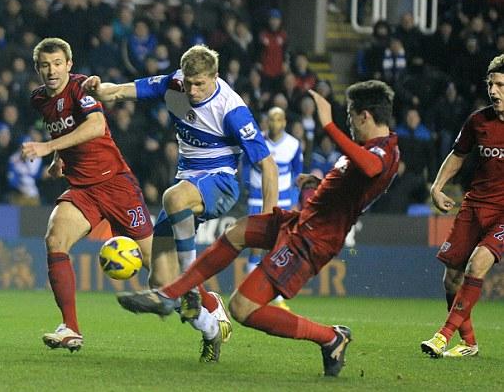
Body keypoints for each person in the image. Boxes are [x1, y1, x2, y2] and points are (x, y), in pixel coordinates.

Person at [116, 80, 400, 376]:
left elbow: (371, 168)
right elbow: (357, 179)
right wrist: (322, 184)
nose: (349, 123)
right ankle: (171, 294)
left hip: (312, 240)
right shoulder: (373, 148)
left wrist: (327, 125)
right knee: (238, 231)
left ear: (365, 115)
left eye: (351, 116)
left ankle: (330, 337)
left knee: (242, 308)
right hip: (300, 220)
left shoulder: (383, 152)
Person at [83, 44, 278, 362]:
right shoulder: (173, 83)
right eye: (189, 83)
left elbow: (267, 165)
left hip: (220, 183)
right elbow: (118, 92)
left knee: (173, 198)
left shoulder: (232, 109)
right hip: (187, 183)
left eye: (200, 83)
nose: (192, 90)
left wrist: (269, 221)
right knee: (159, 279)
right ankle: (212, 330)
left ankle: (189, 284)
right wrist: (98, 88)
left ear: (215, 77)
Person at [21, 37, 153, 352]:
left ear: (69, 65)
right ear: (37, 69)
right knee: (55, 240)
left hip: (115, 184)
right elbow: (61, 128)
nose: (51, 71)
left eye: (57, 64)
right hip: (83, 188)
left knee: (159, 268)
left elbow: (95, 126)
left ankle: (207, 304)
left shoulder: (81, 88)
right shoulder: (39, 99)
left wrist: (48, 148)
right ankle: (71, 328)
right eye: (44, 65)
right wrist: (58, 160)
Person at [420, 54, 504, 359]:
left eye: (500, 85)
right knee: (451, 279)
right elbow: (458, 154)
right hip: (474, 206)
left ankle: (442, 336)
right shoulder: (478, 121)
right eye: (491, 84)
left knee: (477, 264)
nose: (494, 91)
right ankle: (469, 342)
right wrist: (437, 186)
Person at [244, 106, 303, 311]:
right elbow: (245, 166)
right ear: (266, 121)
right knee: (256, 244)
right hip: (257, 199)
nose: (275, 123)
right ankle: (250, 294)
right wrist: (246, 187)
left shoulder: (294, 145)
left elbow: (298, 174)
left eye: (278, 119)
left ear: (285, 122)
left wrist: (296, 199)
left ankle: (275, 296)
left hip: (283, 202)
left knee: (279, 246)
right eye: (271, 119)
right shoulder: (256, 140)